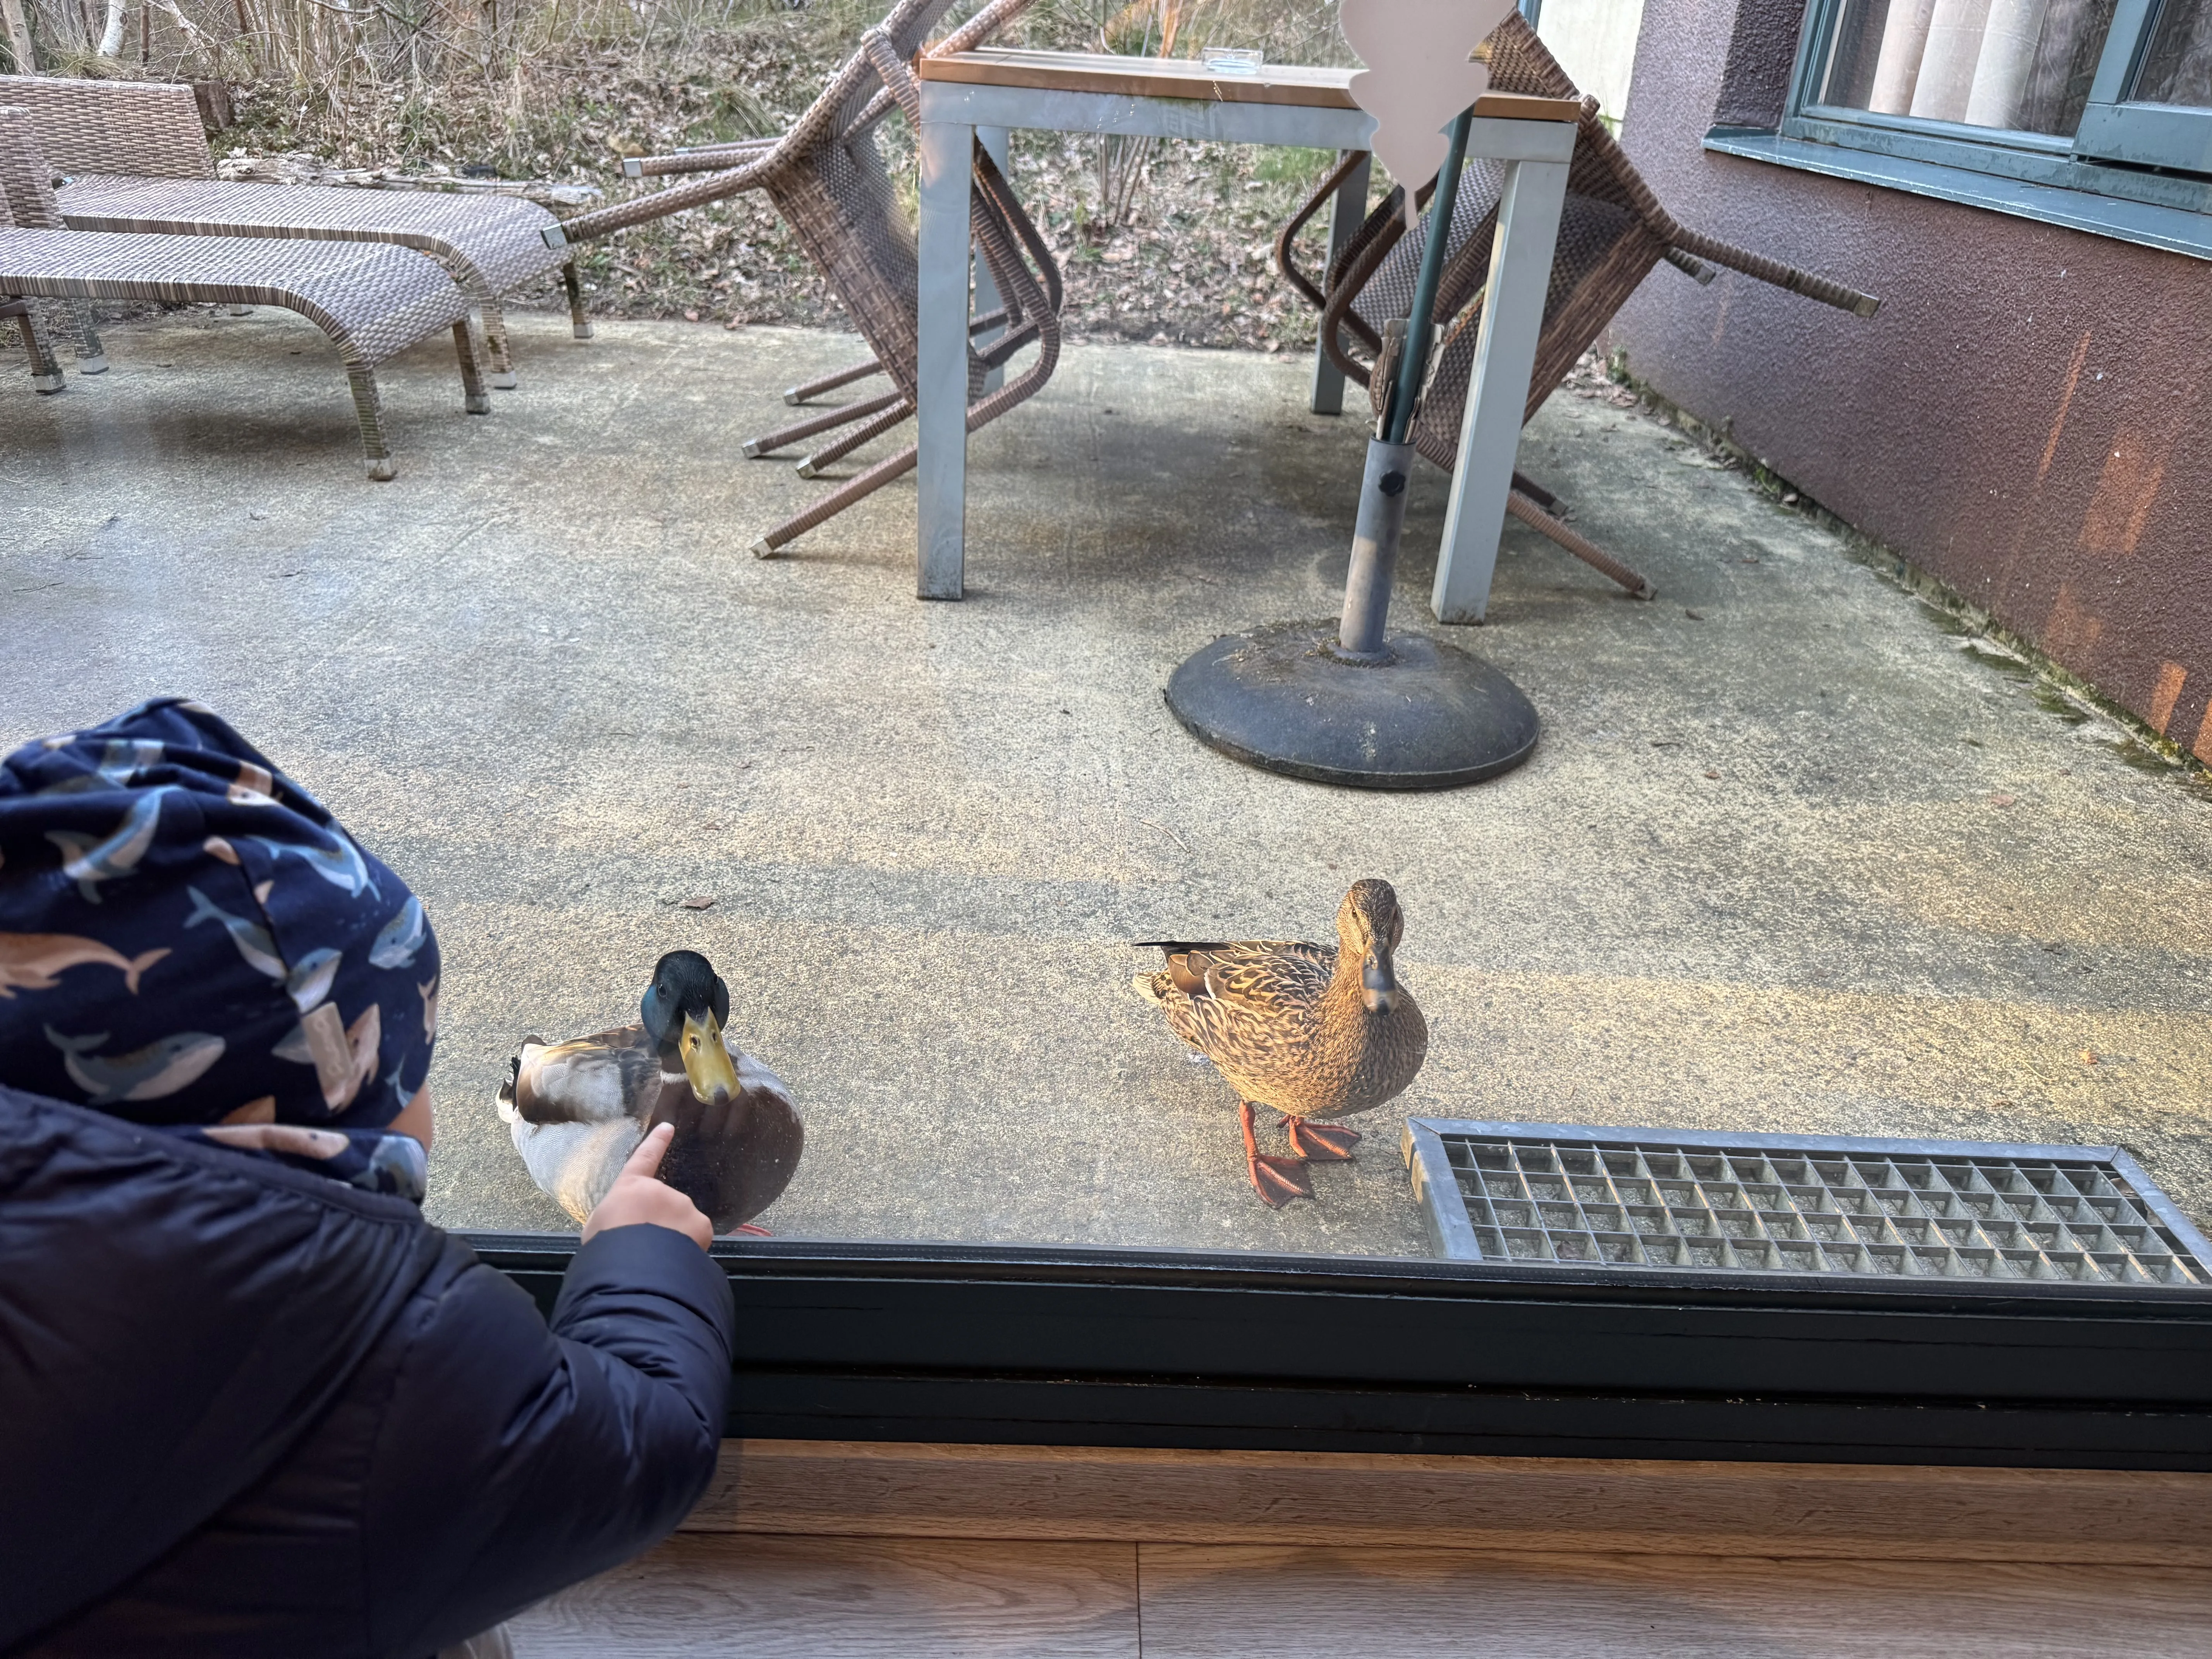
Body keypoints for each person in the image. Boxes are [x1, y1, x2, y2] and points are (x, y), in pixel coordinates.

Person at [0, 698, 734, 1658]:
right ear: (310, 1114)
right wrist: (639, 1255)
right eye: (403, 1071)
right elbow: (642, 1445)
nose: (422, 1107)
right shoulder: (384, 1336)